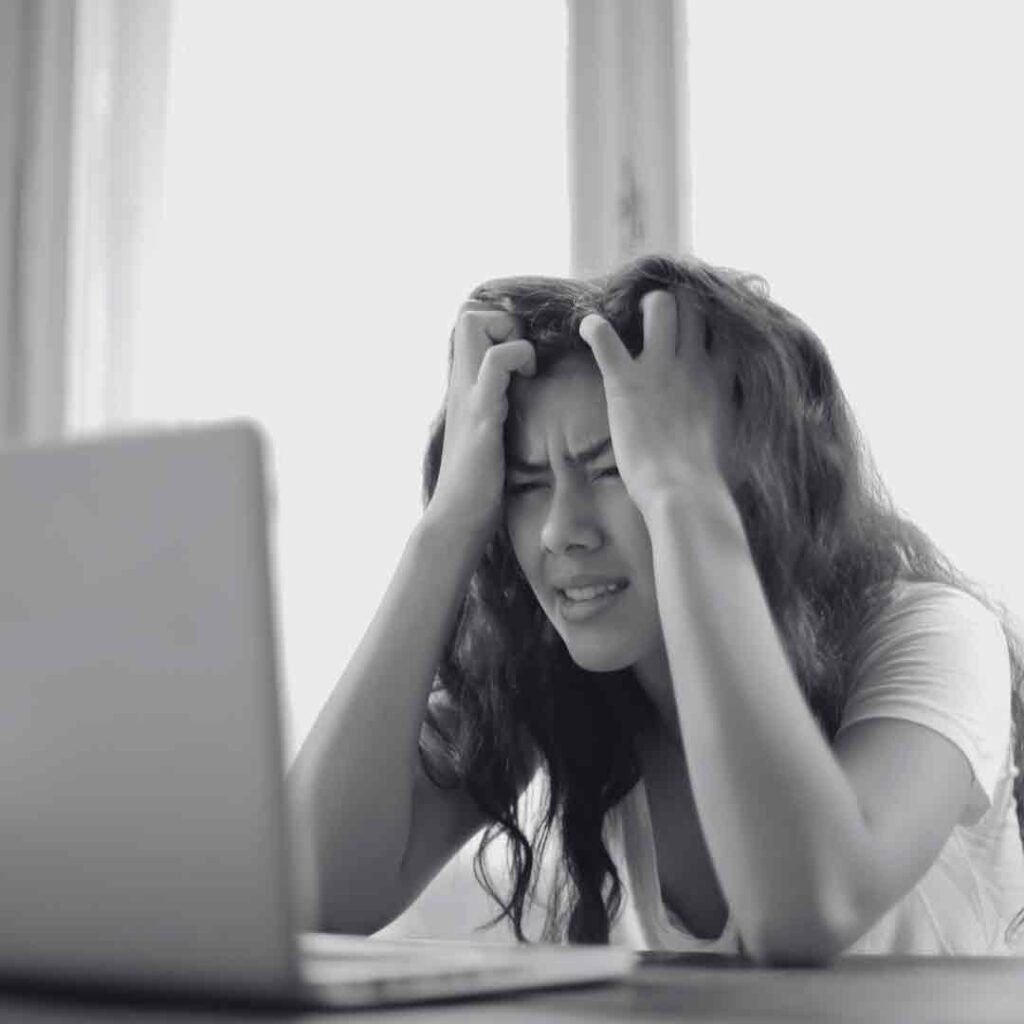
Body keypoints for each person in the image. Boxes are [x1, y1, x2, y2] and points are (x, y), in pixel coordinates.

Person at [290, 253, 1024, 963]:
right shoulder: (557, 674)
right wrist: (448, 525)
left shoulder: (936, 635)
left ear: (750, 479)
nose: (561, 531)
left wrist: (682, 494)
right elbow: (309, 899)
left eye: (613, 468)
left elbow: (805, 911)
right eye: (525, 485)